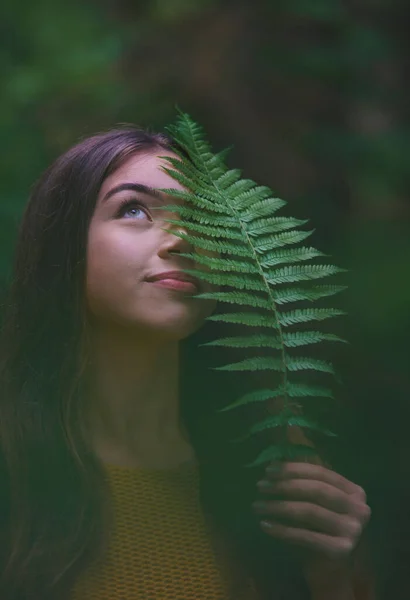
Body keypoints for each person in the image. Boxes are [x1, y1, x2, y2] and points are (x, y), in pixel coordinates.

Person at [0, 126, 372, 599]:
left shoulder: (266, 459)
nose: (182, 240)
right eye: (133, 209)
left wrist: (332, 574)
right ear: (63, 246)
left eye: (201, 220)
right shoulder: (13, 461)